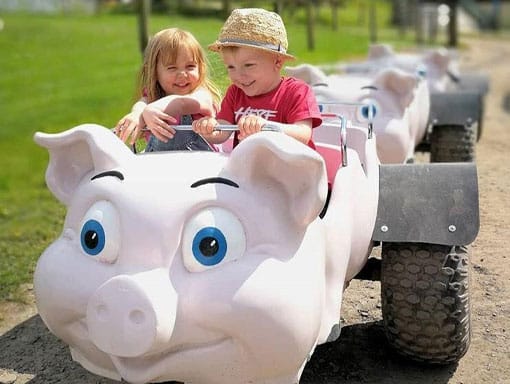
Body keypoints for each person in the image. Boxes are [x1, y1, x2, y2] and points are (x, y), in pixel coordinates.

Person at [192, 8, 322, 149]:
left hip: (293, 167)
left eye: (248, 65)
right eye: (230, 67)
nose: (239, 75)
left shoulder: (297, 92)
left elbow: (303, 134)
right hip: (248, 167)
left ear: (277, 62)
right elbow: (222, 132)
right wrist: (209, 128)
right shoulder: (235, 93)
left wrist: (266, 127)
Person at [115, 28, 222, 151]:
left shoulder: (202, 95)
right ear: (154, 72)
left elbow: (182, 103)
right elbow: (142, 103)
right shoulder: (154, 97)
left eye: (190, 66)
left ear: (200, 68)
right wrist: (137, 115)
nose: (182, 74)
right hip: (160, 165)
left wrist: (153, 109)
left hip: (200, 164)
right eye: (172, 68)